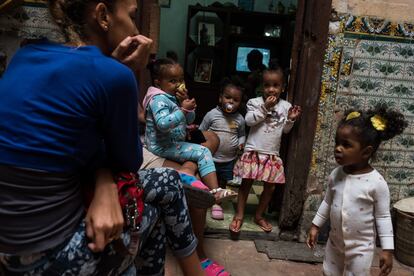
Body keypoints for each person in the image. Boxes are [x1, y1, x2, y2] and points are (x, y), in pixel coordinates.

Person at [0, 0, 204, 275]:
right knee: (162, 198)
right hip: (47, 258)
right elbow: (128, 163)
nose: (136, 28)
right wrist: (130, 72)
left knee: (156, 195)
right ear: (103, 16)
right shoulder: (116, 76)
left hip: (8, 249)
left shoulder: (25, 56)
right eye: (132, 17)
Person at [306, 105, 407, 276]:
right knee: (329, 272)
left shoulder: (377, 183)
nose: (338, 148)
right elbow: (327, 202)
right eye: (337, 143)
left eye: (346, 145)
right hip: (334, 243)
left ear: (366, 152)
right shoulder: (335, 174)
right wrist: (315, 226)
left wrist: (387, 250)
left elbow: (383, 217)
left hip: (361, 248)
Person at [143, 57, 237, 203]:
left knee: (204, 144)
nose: (178, 85)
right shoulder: (158, 99)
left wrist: (186, 106)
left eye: (180, 80)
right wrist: (183, 110)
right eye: (172, 81)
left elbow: (189, 120)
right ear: (158, 83)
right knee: (203, 152)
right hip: (161, 146)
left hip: (174, 141)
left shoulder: (171, 97)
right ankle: (215, 191)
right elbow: (162, 124)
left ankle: (211, 189)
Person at [230, 60, 302, 234]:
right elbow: (249, 121)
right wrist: (265, 107)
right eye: (267, 85)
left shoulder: (285, 106)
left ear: (282, 87)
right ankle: (239, 215)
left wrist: (291, 119)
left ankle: (259, 215)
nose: (271, 89)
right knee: (246, 185)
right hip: (253, 151)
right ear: (262, 87)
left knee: (270, 187)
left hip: (271, 154)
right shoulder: (254, 102)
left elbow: (285, 131)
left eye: (276, 85)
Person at [199, 77, 246, 220]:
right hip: (211, 158)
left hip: (228, 159)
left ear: (239, 103)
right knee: (207, 179)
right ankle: (207, 200)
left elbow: (242, 134)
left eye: (235, 100)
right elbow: (201, 131)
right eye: (227, 97)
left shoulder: (240, 119)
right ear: (220, 98)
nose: (231, 101)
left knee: (223, 181)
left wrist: (241, 143)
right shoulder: (212, 114)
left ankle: (217, 202)